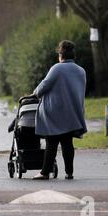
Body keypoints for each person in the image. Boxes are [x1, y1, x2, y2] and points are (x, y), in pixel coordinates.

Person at [32, 40, 87, 180]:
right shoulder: (81, 71)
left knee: (52, 142)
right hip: (72, 112)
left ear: (61, 55)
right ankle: (69, 172)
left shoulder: (57, 68)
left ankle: (45, 172)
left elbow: (44, 86)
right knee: (68, 143)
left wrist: (35, 93)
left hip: (55, 113)